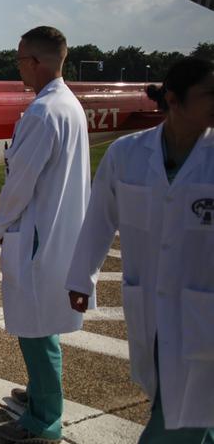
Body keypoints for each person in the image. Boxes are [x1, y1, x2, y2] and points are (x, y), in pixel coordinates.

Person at [66, 58, 214, 443]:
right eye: (209, 94)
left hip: (205, 311)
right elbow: (99, 218)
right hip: (152, 305)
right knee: (180, 403)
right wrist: (82, 277)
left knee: (181, 416)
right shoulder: (126, 155)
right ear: (174, 100)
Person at [0, 26, 90, 444]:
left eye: (20, 59)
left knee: (35, 324)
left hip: (37, 232)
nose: (18, 67)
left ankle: (44, 418)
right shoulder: (68, 105)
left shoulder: (43, 112)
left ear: (38, 62)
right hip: (58, 228)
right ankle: (39, 391)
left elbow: (20, 182)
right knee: (42, 318)